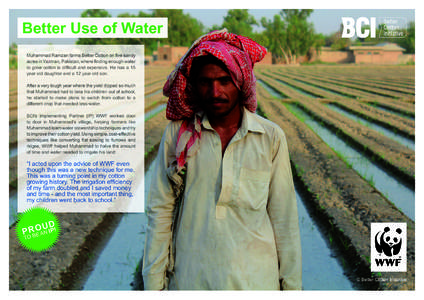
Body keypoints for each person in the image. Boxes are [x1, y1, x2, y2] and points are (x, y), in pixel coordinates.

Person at [142, 29, 301, 290]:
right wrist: (153, 286)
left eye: (224, 80)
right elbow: (159, 212)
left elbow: (285, 221)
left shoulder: (270, 138)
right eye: (205, 82)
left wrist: (293, 289)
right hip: (191, 281)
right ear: (194, 85)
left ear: (240, 82)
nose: (215, 91)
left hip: (256, 283)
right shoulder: (179, 135)